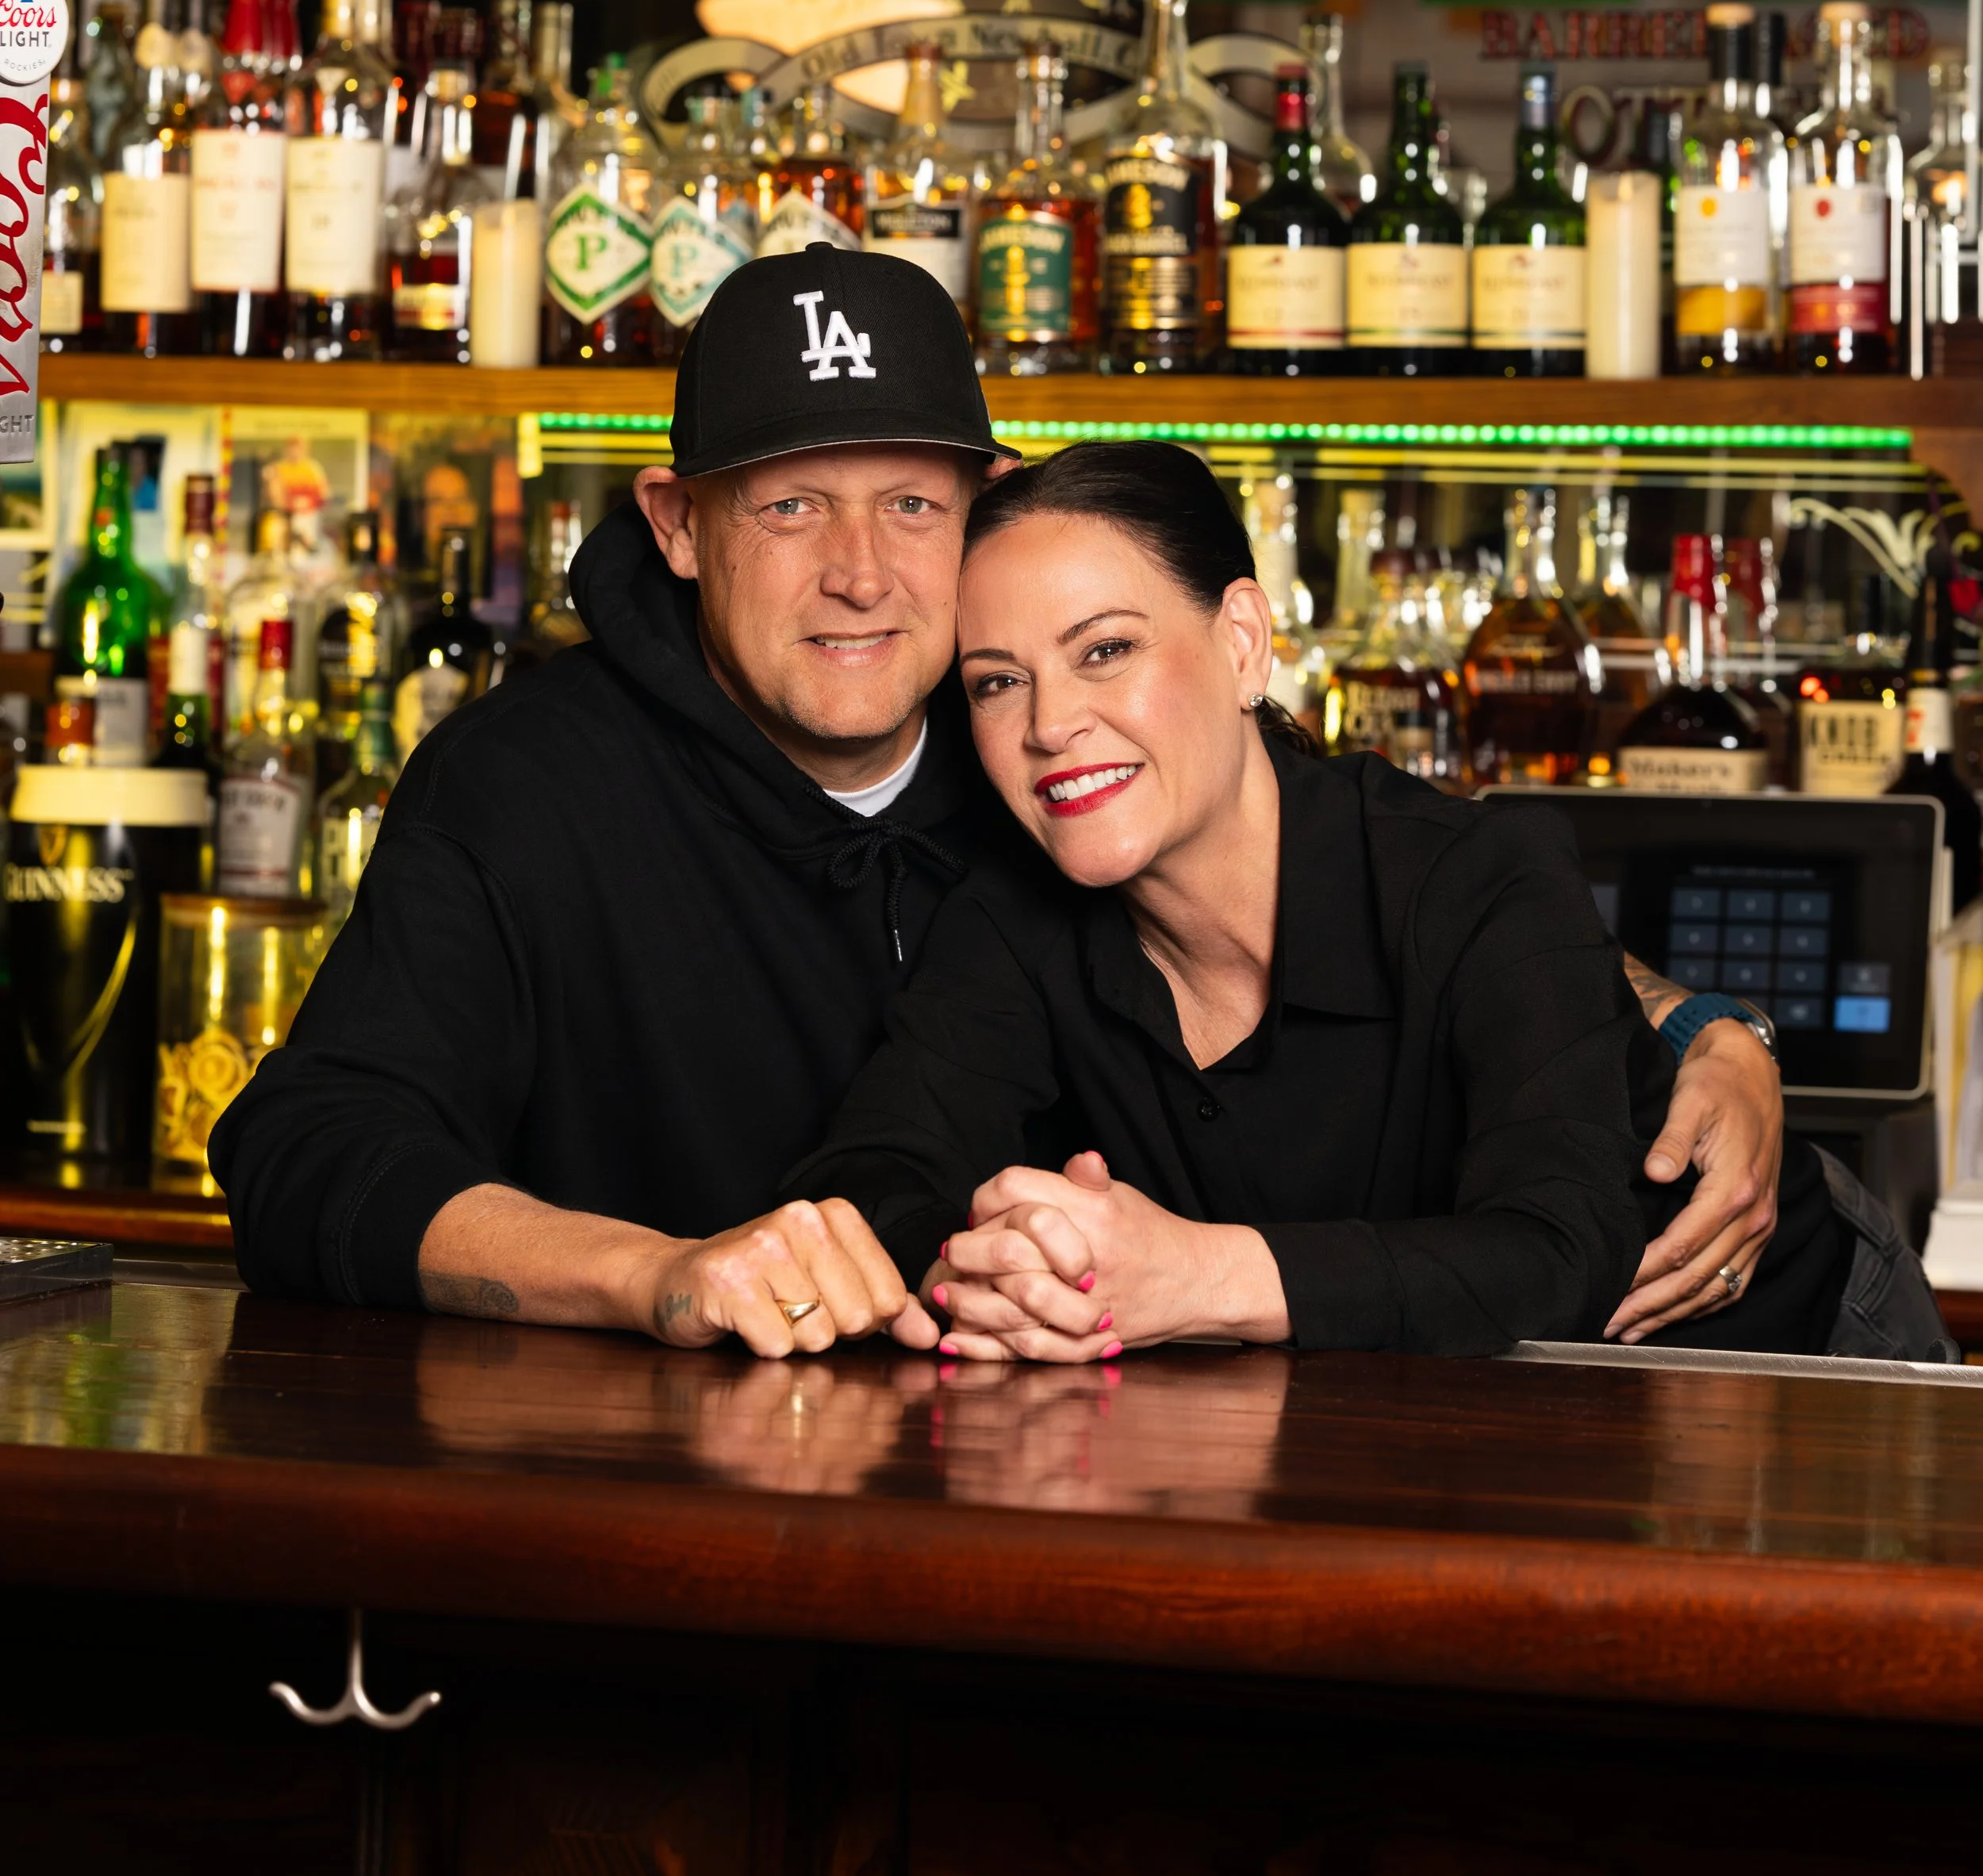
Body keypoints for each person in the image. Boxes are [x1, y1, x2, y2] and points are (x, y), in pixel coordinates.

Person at [212, 246, 1784, 1353]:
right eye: (787, 507)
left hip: (1640, 1381)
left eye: (910, 503)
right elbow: (308, 1156)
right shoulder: (530, 782)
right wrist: (669, 1278)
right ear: (677, 527)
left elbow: (1405, 874)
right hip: (697, 1488)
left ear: (984, 518)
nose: (856, 570)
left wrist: (1697, 1030)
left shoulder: (1063, 763)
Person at [793, 443, 1952, 1364]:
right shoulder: (1015, 917)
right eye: (999, 680)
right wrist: (990, 1273)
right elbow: (869, 1181)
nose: (1049, 723)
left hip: (1781, 1342)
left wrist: (1189, 1276)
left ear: (1243, 643)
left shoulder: (1479, 872)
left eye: (1105, 650)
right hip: (1443, 1400)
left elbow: (1553, 1251)